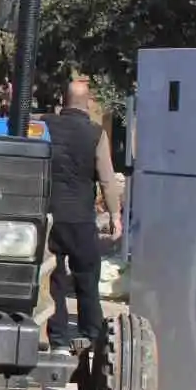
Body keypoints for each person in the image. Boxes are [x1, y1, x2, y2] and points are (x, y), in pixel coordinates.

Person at [44, 79, 123, 352]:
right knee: (87, 276)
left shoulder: (44, 126)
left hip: (49, 217)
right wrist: (115, 215)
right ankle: (92, 335)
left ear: (62, 100)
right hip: (80, 218)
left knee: (53, 279)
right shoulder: (95, 134)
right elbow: (107, 179)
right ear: (88, 102)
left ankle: (58, 338)